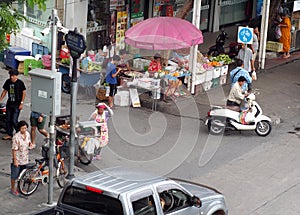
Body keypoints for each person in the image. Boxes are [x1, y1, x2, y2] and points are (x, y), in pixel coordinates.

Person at [0, 70, 26, 140]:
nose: (11, 77)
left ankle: (20, 133)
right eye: (10, 76)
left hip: (17, 105)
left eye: (13, 76)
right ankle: (9, 134)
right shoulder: (8, 82)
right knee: (8, 120)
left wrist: (22, 103)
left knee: (14, 120)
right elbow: (4, 91)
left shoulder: (20, 83)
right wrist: (0, 99)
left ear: (16, 76)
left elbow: (24, 92)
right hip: (9, 104)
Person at [11, 120, 34, 196]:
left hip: (25, 158)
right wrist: (15, 160)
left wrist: (31, 145)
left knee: (23, 175)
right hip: (18, 159)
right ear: (19, 128)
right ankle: (13, 188)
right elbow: (14, 150)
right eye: (22, 128)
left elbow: (29, 142)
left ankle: (20, 187)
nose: (24, 130)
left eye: (25, 128)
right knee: (15, 175)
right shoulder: (16, 137)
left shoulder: (27, 134)